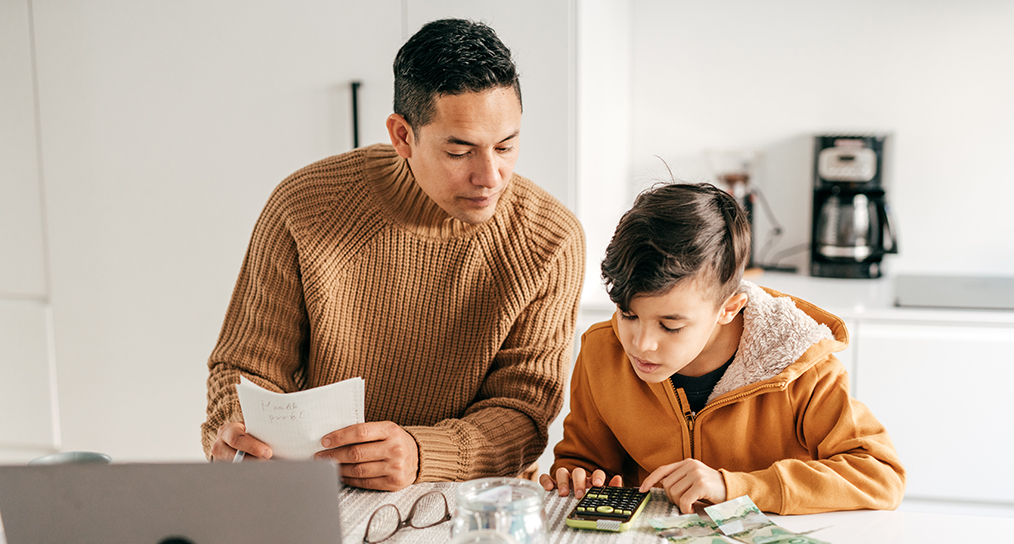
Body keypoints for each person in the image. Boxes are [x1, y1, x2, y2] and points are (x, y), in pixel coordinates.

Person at [202, 19, 585, 492]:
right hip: (317, 492)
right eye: (460, 151)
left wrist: (422, 455)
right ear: (402, 135)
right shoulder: (305, 205)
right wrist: (237, 432)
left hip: (475, 501)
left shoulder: (551, 238)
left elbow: (523, 414)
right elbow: (247, 368)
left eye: (506, 146)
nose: (491, 176)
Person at [540, 182, 905, 515]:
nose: (640, 343)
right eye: (628, 314)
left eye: (671, 325)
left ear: (729, 308)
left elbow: (880, 475)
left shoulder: (800, 365)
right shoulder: (601, 351)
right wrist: (577, 476)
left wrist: (737, 487)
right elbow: (584, 458)